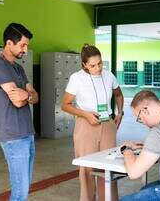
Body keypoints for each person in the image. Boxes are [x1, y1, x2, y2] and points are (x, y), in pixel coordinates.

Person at [61, 44, 124, 201]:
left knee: (108, 166)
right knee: (87, 168)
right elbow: (65, 105)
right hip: (85, 125)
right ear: (84, 65)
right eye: (93, 65)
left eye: (100, 63)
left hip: (107, 124)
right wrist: (85, 114)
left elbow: (118, 94)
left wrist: (120, 112)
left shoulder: (109, 76)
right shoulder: (77, 78)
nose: (98, 68)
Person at [0, 22, 38, 201]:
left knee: (24, 186)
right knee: (20, 190)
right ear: (9, 43)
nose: (25, 49)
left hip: (26, 133)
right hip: (13, 136)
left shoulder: (18, 68)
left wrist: (27, 95)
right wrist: (27, 95)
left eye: (27, 45)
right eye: (22, 45)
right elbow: (17, 101)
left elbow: (35, 96)